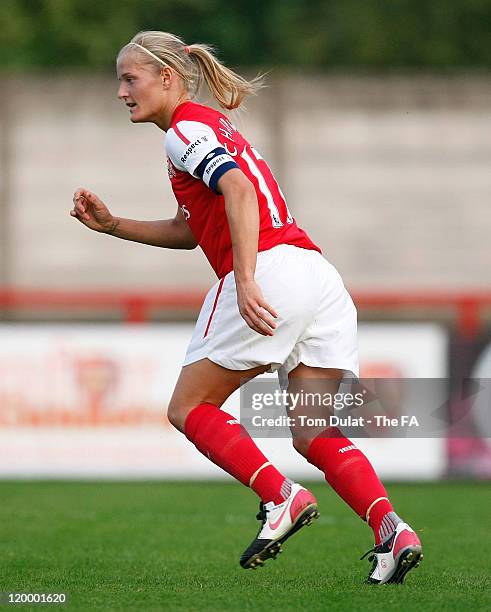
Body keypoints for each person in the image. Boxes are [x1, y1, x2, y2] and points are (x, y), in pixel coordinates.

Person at [70, 30, 422, 584]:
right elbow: (190, 231)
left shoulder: (183, 130)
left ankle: (280, 497)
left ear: (166, 77)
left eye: (129, 78)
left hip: (272, 269)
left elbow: (235, 190)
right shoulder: (209, 128)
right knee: (313, 432)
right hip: (317, 277)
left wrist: (247, 278)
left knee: (189, 408)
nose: (121, 91)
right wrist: (114, 226)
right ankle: (392, 529)